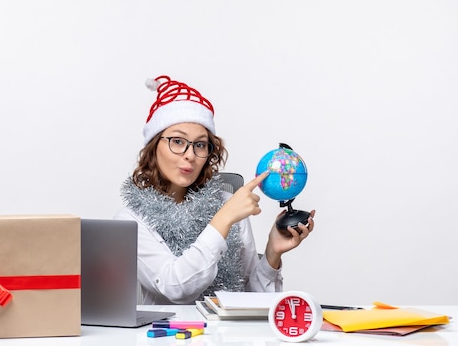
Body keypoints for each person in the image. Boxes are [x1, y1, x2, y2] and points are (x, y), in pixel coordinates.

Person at [115, 75, 315, 305]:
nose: (190, 154)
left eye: (200, 144)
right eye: (178, 141)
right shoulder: (131, 221)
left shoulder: (228, 202)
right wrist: (224, 217)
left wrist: (272, 253)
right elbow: (175, 287)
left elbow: (251, 299)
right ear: (153, 147)